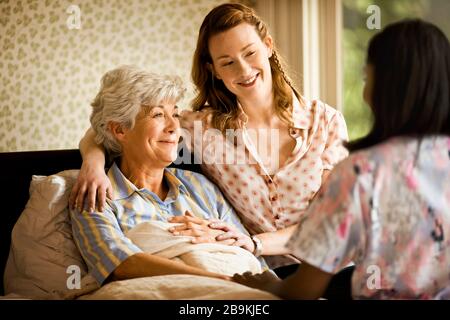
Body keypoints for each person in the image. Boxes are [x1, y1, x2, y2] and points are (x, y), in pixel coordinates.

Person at [69, 3, 349, 282]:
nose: (243, 69)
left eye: (250, 52)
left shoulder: (325, 122)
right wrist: (92, 165)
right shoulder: (204, 128)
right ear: (214, 70)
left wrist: (256, 243)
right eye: (227, 62)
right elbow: (112, 126)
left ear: (268, 46)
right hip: (266, 273)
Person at [233, 19, 450, 299]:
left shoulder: (360, 172)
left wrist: (265, 286)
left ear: (381, 88)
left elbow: (304, 290)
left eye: (365, 77)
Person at [69, 66, 265, 286]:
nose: (174, 127)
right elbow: (118, 264)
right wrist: (220, 281)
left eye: (175, 114)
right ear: (120, 130)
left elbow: (252, 259)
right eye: (158, 114)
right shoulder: (95, 194)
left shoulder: (199, 186)